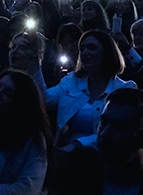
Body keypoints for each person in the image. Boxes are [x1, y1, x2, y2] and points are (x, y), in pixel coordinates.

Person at [47, 30, 135, 163]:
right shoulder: (71, 81)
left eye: (92, 48)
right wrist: (32, 64)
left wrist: (77, 144)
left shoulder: (124, 89)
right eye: (82, 49)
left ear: (107, 53)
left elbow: (115, 132)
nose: (85, 52)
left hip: (104, 159)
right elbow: (44, 99)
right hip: (65, 157)